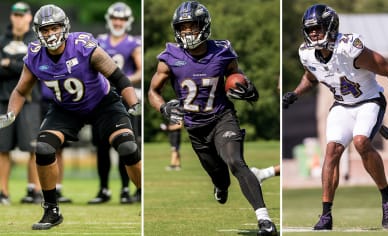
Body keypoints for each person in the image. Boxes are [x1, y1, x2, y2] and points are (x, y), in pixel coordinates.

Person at [0, 4, 141, 230]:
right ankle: (51, 210)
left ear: (64, 27)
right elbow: (20, 90)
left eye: (54, 28)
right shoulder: (35, 55)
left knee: (127, 147)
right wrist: (11, 113)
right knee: (44, 148)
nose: (50, 34)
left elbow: (119, 77)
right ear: (38, 32)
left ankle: (142, 191)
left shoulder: (83, 46)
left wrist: (133, 103)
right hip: (65, 108)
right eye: (45, 30)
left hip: (103, 104)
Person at [282, 4, 388, 230]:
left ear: (331, 27)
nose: (314, 33)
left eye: (318, 27)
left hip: (370, 101)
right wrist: (295, 93)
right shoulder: (307, 53)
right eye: (310, 29)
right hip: (342, 106)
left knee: (360, 142)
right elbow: (311, 76)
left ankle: (387, 198)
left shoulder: (349, 48)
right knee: (331, 151)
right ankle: (326, 214)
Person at [148, 2, 277, 235]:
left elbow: (237, 77)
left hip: (222, 117)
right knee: (220, 178)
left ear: (204, 26)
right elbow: (153, 92)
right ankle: (220, 185)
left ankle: (264, 220)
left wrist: (248, 89)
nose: (187, 32)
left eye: (192, 26)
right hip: (195, 128)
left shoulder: (222, 51)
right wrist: (163, 108)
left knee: (236, 162)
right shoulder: (170, 55)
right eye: (182, 27)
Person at [88, 2, 142, 205]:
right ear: (109, 19)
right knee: (101, 147)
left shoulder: (133, 43)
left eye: (122, 19)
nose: (118, 22)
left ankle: (126, 189)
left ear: (128, 21)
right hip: (100, 100)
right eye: (115, 18)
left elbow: (140, 70)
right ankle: (103, 189)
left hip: (124, 99)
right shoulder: (98, 41)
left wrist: (121, 78)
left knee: (125, 145)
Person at [0, 1, 41, 205]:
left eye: (22, 14)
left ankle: (34, 190)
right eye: (15, 14)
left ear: (29, 17)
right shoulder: (2, 40)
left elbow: (35, 67)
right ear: (11, 17)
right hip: (3, 100)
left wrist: (8, 63)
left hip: (30, 101)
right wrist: (17, 65)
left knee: (33, 148)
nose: (18, 17)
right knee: (2, 148)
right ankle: (3, 192)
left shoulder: (36, 40)